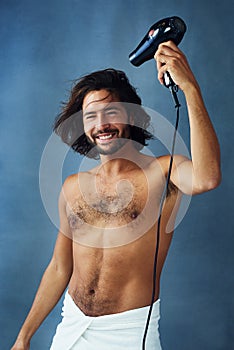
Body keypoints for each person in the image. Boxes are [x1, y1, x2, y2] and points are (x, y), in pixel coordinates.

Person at [11, 41, 221, 350]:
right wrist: (23, 337)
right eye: (91, 116)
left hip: (130, 332)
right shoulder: (72, 186)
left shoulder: (163, 173)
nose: (101, 125)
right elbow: (59, 267)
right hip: (71, 327)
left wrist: (190, 88)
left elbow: (207, 177)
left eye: (111, 112)